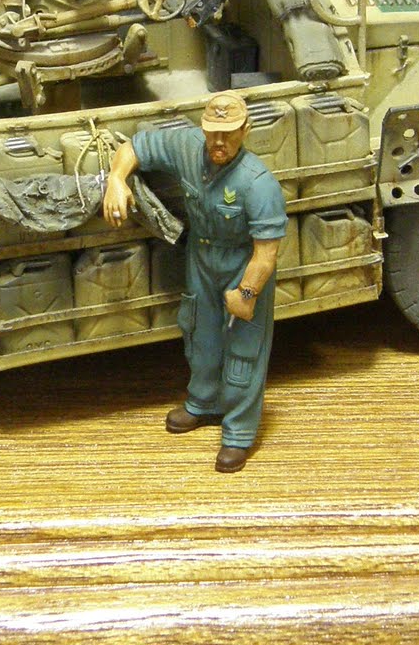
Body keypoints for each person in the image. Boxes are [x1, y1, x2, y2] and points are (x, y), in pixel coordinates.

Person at [102, 92, 287, 472]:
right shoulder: (186, 146)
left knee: (244, 351)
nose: (219, 142)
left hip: (243, 264)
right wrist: (117, 178)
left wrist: (247, 293)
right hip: (201, 259)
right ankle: (203, 402)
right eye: (212, 132)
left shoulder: (258, 183)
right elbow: (133, 147)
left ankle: (238, 432)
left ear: (245, 130)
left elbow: (266, 253)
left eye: (228, 133)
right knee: (199, 335)